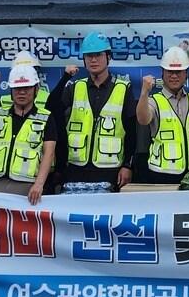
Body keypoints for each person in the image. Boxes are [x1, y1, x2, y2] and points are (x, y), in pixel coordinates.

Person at [55, 32, 136, 191]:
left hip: (110, 169)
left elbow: (132, 131)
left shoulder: (123, 88)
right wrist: (65, 77)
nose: (93, 60)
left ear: (108, 57)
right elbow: (52, 110)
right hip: (76, 168)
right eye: (89, 56)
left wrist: (128, 165)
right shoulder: (74, 87)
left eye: (98, 55)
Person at [0, 65, 58, 201]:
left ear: (36, 89)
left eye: (26, 88)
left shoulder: (46, 117)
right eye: (17, 89)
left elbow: (49, 153)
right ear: (11, 90)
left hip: (27, 187)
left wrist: (39, 184)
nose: (21, 93)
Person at [135, 46, 189, 184]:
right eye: (170, 72)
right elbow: (143, 119)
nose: (174, 76)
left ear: (186, 73)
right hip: (162, 174)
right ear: (162, 73)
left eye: (178, 72)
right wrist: (144, 92)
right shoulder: (154, 100)